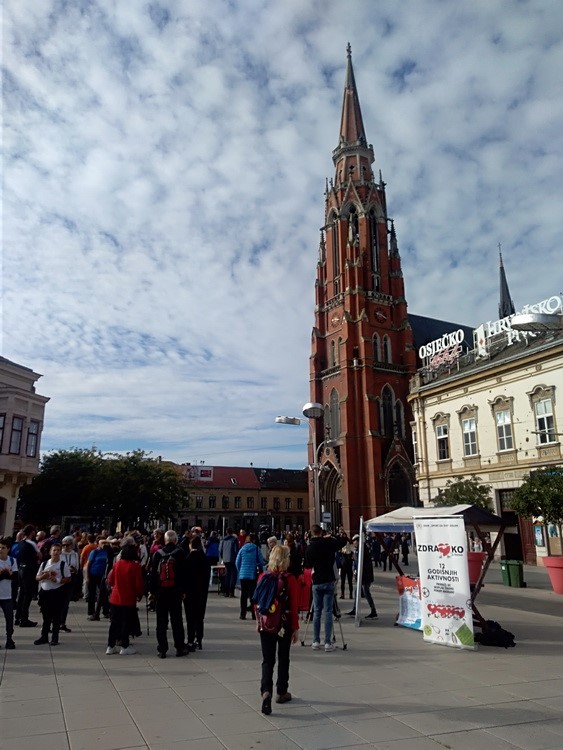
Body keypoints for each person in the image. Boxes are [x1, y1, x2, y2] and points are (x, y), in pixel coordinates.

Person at [255, 545, 299, 716]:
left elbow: (256, 602)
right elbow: (294, 606)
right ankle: (281, 691)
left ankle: (266, 691)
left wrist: (258, 621)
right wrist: (295, 628)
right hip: (284, 623)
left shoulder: (263, 576)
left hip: (266, 623)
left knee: (267, 660)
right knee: (283, 657)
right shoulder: (290, 579)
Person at [149, 530, 188, 658]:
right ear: (175, 540)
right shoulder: (180, 553)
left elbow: (153, 574)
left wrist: (152, 592)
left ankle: (162, 649)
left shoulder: (157, 554)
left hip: (161, 592)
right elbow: (184, 573)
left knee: (161, 621)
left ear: (165, 540)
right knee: (177, 620)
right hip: (175, 591)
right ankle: (179, 647)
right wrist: (183, 591)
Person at [304, 525, 344, 652]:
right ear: (321, 532)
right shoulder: (328, 543)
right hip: (328, 579)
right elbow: (341, 543)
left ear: (312, 533)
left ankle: (316, 641)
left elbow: (307, 565)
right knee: (328, 612)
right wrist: (331, 537)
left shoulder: (310, 547)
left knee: (317, 611)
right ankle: (327, 642)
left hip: (316, 580)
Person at [105, 539, 145, 655]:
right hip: (128, 598)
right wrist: (139, 594)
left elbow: (110, 580)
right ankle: (125, 645)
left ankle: (110, 645)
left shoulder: (117, 564)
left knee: (114, 623)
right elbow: (138, 584)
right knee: (125, 622)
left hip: (115, 597)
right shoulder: (135, 566)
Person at [34, 542, 70, 646]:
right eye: (54, 550)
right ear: (50, 552)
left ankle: (55, 638)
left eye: (58, 550)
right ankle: (44, 636)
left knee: (56, 616)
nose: (56, 552)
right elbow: (37, 577)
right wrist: (43, 577)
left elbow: (68, 578)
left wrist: (57, 580)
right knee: (46, 615)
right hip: (45, 592)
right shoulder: (44, 564)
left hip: (57, 592)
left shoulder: (63, 564)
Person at [184, 535, 211, 651]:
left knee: (190, 617)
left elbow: (184, 576)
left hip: (190, 591)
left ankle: (190, 640)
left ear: (190, 545)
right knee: (200, 616)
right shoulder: (204, 558)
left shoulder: (188, 558)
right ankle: (199, 639)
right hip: (202, 591)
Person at [15, 524, 41, 627]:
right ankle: (24, 619)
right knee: (27, 595)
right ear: (32, 532)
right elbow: (39, 555)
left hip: (21, 568)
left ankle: (18, 617)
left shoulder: (20, 543)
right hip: (29, 571)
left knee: (22, 594)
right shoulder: (31, 543)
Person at [347, 534, 377, 619]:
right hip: (361, 576)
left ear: (358, 541)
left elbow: (362, 564)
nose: (354, 543)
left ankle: (373, 611)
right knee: (357, 592)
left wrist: (357, 573)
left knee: (366, 593)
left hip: (365, 576)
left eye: (355, 541)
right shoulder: (358, 550)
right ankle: (355, 609)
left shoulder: (363, 550)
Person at [236, 533, 264, 620]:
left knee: (243, 595)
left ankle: (242, 614)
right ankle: (253, 614)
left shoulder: (242, 549)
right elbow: (261, 562)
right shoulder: (256, 549)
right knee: (253, 595)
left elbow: (237, 562)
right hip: (253, 574)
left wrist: (241, 570)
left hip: (243, 575)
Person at [59, 536, 80, 632]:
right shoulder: (60, 554)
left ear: (72, 545)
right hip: (61, 578)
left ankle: (62, 623)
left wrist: (74, 569)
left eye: (67, 545)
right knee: (58, 601)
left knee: (66, 602)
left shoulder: (74, 554)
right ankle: (55, 622)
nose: (65, 547)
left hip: (71, 578)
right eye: (63, 545)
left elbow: (77, 568)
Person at [0, 537, 17, 649]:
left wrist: (4, 574)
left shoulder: (12, 560)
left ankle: (9, 639)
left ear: (8, 549)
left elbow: (15, 577)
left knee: (9, 618)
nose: (0, 550)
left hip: (7, 595)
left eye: (3, 548)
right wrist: (6, 575)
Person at [86, 539, 110, 620]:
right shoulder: (94, 552)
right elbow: (88, 564)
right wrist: (87, 576)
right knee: (92, 594)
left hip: (102, 576)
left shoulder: (106, 552)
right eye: (102, 543)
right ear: (98, 544)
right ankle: (91, 612)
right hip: (93, 574)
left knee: (104, 594)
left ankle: (106, 611)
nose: (104, 544)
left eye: (105, 543)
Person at [219, 528, 239, 597]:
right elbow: (236, 550)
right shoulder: (234, 539)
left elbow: (220, 550)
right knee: (233, 575)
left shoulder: (223, 540)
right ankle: (231, 591)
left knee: (227, 574)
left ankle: (226, 591)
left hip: (225, 559)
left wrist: (223, 557)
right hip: (232, 559)